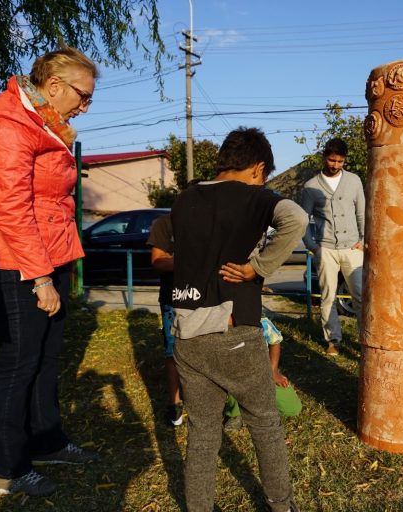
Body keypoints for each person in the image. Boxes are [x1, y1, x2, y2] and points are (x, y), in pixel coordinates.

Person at [0, 45, 100, 497]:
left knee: (46, 357)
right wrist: (40, 278)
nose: (86, 105)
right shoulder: (6, 123)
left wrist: (56, 267)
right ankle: (8, 469)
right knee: (18, 365)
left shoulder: (43, 121)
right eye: (83, 95)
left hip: (51, 251)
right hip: (16, 261)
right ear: (54, 85)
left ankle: (47, 440)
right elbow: (10, 208)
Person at [170, 127, 306, 512]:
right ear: (258, 168)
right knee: (264, 422)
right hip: (234, 332)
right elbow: (294, 218)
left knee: (202, 432)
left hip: (186, 332)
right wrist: (257, 267)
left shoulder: (184, 199)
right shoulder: (255, 196)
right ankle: (281, 505)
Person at [299, 138, 365, 356]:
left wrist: (363, 240)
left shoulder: (354, 181)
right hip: (325, 248)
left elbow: (362, 212)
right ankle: (333, 339)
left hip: (352, 248)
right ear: (324, 157)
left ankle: (365, 340)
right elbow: (303, 219)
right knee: (328, 296)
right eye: (331, 160)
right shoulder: (310, 187)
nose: (335, 165)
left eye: (339, 161)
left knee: (360, 295)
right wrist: (312, 246)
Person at [223, 317, 303, 431]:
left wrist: (273, 371)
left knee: (293, 408)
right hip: (237, 376)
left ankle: (260, 406)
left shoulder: (262, 321)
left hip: (264, 373)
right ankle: (235, 414)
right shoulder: (221, 325)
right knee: (232, 384)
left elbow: (275, 342)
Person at [146, 213, 184, 426]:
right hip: (173, 298)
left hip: (207, 298)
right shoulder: (166, 223)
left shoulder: (214, 220)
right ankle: (175, 404)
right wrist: (193, 264)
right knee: (173, 351)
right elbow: (157, 261)